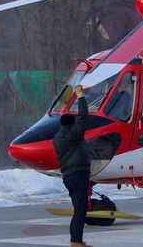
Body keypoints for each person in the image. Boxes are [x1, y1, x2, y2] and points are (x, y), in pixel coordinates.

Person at [53, 84, 91, 247]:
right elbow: (83, 116)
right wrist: (80, 96)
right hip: (78, 174)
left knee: (78, 209)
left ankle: (77, 241)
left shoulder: (57, 138)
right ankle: (76, 242)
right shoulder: (74, 135)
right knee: (80, 211)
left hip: (68, 176)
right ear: (71, 124)